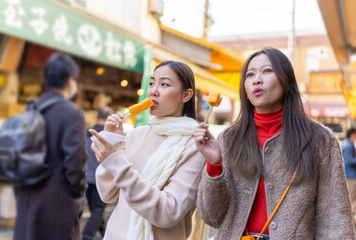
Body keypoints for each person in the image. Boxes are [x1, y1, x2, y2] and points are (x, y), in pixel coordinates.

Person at [194, 47, 355, 239]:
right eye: (250, 74)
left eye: (267, 71)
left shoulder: (319, 139)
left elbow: (335, 217)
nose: (257, 79)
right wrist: (214, 165)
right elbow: (212, 216)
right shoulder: (229, 139)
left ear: (287, 82)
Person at [89, 61, 206, 240]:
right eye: (152, 83)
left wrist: (116, 161)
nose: (153, 91)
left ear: (186, 95)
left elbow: (169, 212)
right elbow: (108, 195)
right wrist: (113, 144)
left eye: (164, 84)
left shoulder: (195, 145)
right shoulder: (136, 135)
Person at [13, 53, 88, 240]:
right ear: (70, 80)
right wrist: (77, 194)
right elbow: (76, 161)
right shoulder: (72, 113)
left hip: (27, 197)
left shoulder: (30, 109)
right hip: (57, 201)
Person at [83, 106, 114, 240]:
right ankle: (87, 236)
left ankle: (103, 232)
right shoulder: (110, 135)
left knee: (95, 209)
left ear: (97, 116)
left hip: (86, 177)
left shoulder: (86, 132)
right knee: (97, 210)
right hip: (101, 179)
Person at [342, 127, 356, 224]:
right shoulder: (347, 146)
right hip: (351, 175)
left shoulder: (348, 144)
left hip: (351, 174)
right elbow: (348, 161)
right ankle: (350, 218)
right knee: (352, 197)